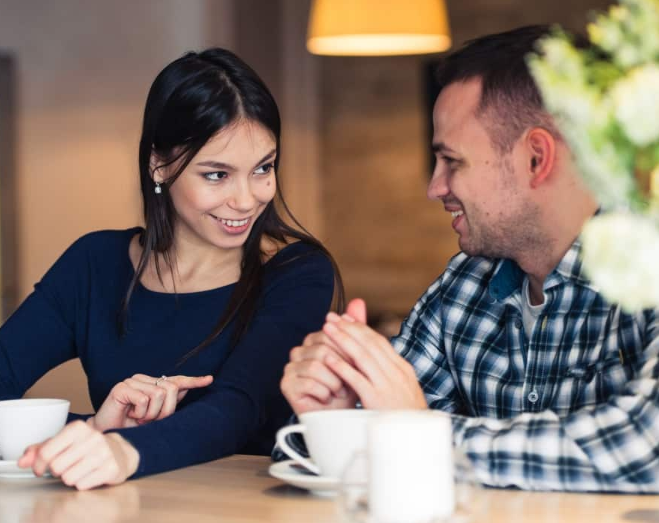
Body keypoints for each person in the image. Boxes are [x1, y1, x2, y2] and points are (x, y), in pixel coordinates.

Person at [0, 47, 343, 490]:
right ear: (159, 166)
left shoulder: (296, 271)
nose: (246, 200)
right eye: (217, 175)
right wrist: (95, 429)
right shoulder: (96, 264)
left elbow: (238, 412)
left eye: (263, 168)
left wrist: (123, 448)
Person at [279, 26, 659, 493]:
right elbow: (348, 435)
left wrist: (419, 437)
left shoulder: (648, 270)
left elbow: (646, 449)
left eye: (451, 161)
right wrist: (333, 418)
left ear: (536, 159)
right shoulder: (463, 286)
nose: (434, 187)